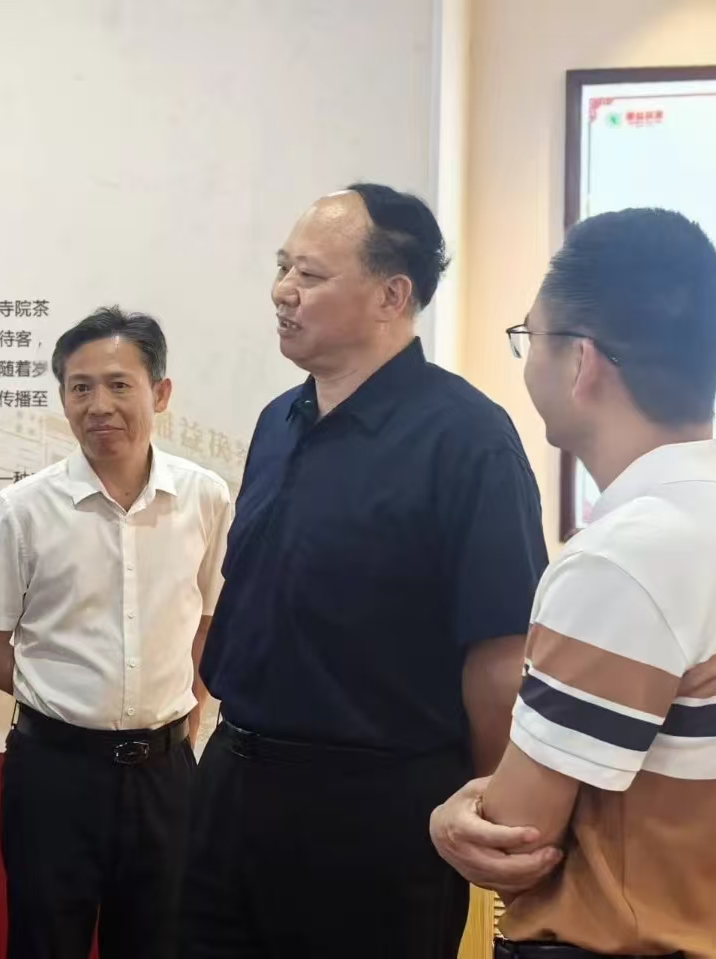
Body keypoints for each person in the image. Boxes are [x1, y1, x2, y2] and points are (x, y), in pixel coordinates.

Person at [181, 184, 549, 959]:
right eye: (283, 267)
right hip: (232, 787)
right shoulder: (277, 423)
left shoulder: (469, 440)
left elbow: (499, 657)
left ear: (392, 294)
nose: (283, 291)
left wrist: (489, 807)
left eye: (310, 275)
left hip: (375, 815)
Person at [430, 208, 716, 959]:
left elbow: (517, 835)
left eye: (529, 336)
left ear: (580, 361)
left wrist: (454, 813)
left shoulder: (623, 558)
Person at [0, 307, 233, 959]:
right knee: (44, 942)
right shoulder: (25, 509)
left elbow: (207, 620)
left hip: (166, 775)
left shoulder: (204, 497)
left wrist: (185, 708)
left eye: (119, 384)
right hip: (54, 775)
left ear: (159, 393)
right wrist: (66, 695)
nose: (98, 405)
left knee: (159, 943)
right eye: (80, 387)